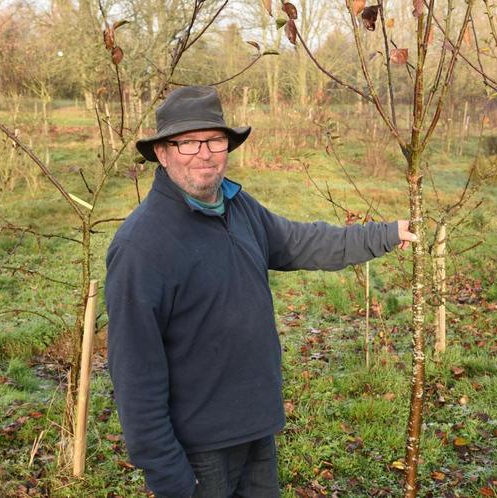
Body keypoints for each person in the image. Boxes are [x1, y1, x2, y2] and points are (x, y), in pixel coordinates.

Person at [105, 86, 417, 498]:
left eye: (215, 140)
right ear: (162, 153)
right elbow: (135, 373)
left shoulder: (238, 206)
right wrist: (166, 472)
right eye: (188, 143)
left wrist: (385, 234)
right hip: (198, 450)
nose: (204, 153)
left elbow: (303, 241)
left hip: (257, 429)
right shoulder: (140, 247)